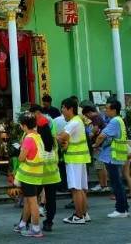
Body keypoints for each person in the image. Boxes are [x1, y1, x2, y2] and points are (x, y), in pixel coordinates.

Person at [92, 100, 128, 218]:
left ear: (114, 110)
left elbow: (102, 136)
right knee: (118, 183)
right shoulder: (119, 120)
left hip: (113, 156)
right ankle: (124, 208)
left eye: (107, 108)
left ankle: (120, 210)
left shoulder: (114, 121)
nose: (105, 110)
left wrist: (96, 145)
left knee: (116, 184)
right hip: (116, 156)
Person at [58, 96, 90, 224]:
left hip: (74, 159)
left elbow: (62, 137)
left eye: (63, 108)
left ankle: (78, 216)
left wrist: (56, 136)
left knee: (76, 189)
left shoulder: (73, 123)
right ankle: (84, 214)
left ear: (70, 109)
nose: (62, 111)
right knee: (81, 188)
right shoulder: (78, 120)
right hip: (80, 158)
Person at [14, 112, 45, 237]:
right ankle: (22, 224)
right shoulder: (38, 136)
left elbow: (21, 158)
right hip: (37, 174)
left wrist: (18, 152)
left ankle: (36, 229)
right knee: (29, 201)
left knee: (32, 202)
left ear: (24, 126)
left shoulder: (28, 138)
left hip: (28, 175)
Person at [32, 105, 61, 232]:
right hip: (53, 174)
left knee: (32, 198)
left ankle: (27, 221)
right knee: (51, 199)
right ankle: (49, 222)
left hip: (38, 174)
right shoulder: (53, 141)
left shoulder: (37, 140)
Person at [82, 101, 110, 193]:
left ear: (89, 113)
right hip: (100, 145)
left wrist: (89, 137)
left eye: (86, 115)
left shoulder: (95, 117)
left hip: (98, 146)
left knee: (99, 166)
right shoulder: (98, 117)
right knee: (101, 166)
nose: (87, 118)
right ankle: (103, 185)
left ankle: (102, 185)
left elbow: (95, 129)